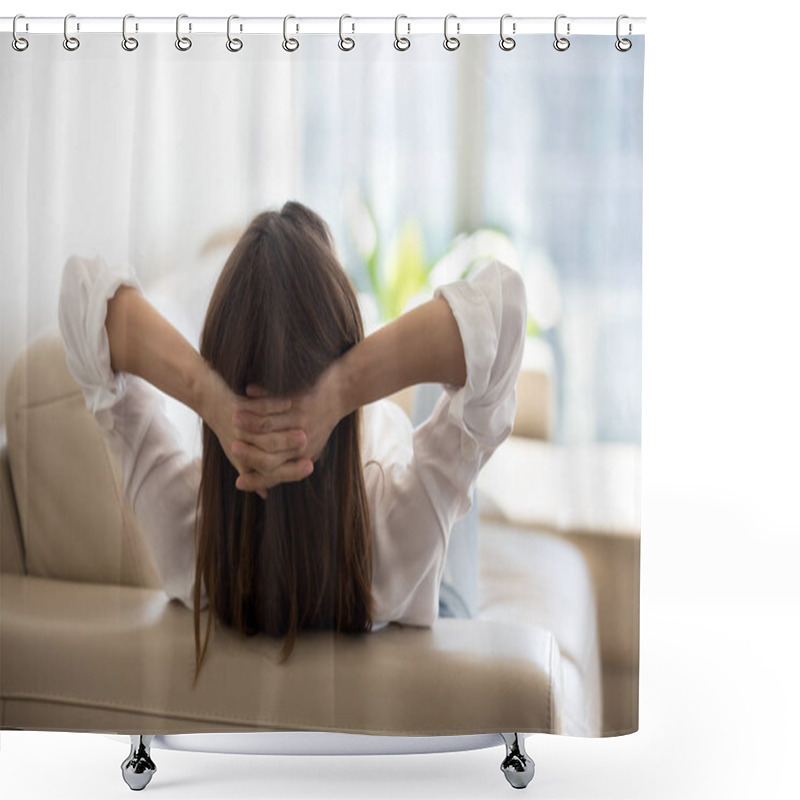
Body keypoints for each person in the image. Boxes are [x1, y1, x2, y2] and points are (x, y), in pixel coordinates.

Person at [57, 201, 526, 685]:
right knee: (444, 402)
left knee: (453, 434)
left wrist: (211, 398)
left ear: (220, 364)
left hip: (403, 538)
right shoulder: (393, 520)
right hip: (435, 594)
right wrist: (344, 390)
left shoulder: (189, 531)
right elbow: (501, 305)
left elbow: (82, 295)